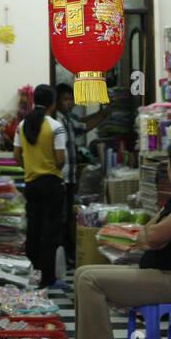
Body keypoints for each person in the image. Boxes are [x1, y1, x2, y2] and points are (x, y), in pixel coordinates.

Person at [73, 138, 171, 339]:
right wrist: (153, 238)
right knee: (82, 272)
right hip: (159, 274)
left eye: (168, 165)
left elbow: (150, 237)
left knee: (89, 279)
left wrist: (153, 238)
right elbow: (145, 235)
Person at [14, 84, 67, 289]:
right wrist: (49, 164)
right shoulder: (55, 126)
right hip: (51, 183)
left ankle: (32, 276)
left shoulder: (22, 125)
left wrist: (31, 166)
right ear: (52, 103)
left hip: (31, 183)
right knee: (50, 233)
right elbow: (60, 160)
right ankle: (47, 279)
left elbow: (16, 156)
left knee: (34, 231)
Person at [54, 81, 109, 268]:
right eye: (66, 99)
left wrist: (102, 113)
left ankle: (68, 255)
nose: (69, 103)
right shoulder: (57, 121)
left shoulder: (68, 119)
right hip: (60, 177)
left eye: (71, 99)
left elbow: (83, 125)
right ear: (57, 101)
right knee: (61, 218)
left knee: (67, 217)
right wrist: (102, 114)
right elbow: (84, 125)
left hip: (69, 178)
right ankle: (63, 256)